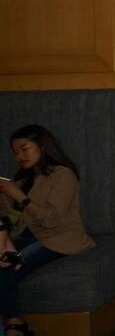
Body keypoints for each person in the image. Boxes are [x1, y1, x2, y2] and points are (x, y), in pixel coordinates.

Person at [0, 125, 95, 336]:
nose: (20, 156)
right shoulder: (24, 179)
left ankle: (14, 323)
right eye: (15, 152)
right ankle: (16, 323)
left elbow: (51, 220)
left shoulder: (63, 175)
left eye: (25, 149)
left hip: (58, 238)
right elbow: (12, 220)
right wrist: (5, 196)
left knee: (8, 263)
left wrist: (18, 196)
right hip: (25, 237)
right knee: (3, 257)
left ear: (42, 147)